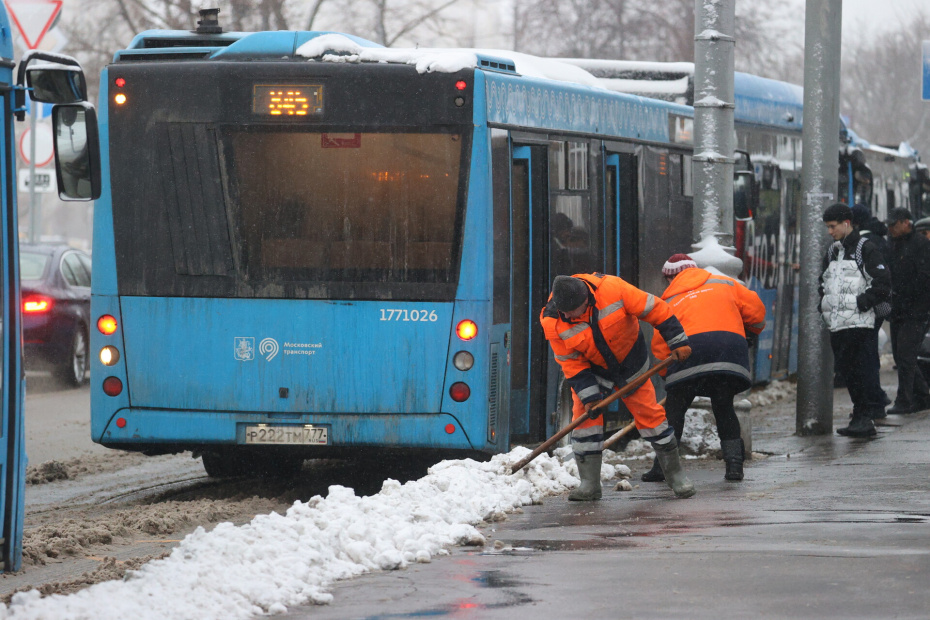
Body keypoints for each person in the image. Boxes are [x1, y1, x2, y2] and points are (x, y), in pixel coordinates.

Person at [541, 273, 695, 500]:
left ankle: (676, 476)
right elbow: (570, 363)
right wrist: (589, 396)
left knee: (650, 416)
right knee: (584, 421)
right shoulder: (552, 320)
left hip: (630, 361)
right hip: (592, 370)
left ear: (587, 300)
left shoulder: (613, 289)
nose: (567, 316)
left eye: (572, 311)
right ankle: (590, 484)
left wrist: (678, 341)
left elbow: (657, 310)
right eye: (564, 311)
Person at [642, 254, 766, 483]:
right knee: (723, 406)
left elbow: (660, 346)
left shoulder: (668, 301)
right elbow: (757, 313)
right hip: (728, 348)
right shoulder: (724, 283)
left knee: (675, 411)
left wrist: (668, 377)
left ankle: (662, 468)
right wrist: (749, 331)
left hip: (687, 352)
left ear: (670, 278)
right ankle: (734, 467)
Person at [819, 203, 891, 437]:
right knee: (849, 372)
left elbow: (882, 282)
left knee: (862, 372)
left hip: (860, 324)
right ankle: (860, 418)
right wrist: (825, 305)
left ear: (846, 223)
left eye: (833, 226)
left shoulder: (865, 248)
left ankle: (864, 418)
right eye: (828, 227)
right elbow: (824, 282)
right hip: (839, 324)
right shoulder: (832, 252)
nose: (830, 232)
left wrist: (863, 302)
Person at [886, 207, 930, 414]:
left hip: (916, 310)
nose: (891, 229)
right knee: (900, 355)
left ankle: (905, 400)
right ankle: (922, 396)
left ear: (906, 223)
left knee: (905, 354)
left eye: (894, 225)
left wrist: (907, 295)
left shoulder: (921, 245)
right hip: (898, 310)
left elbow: (924, 277)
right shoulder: (892, 244)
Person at [851, 203, 893, 413]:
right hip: (877, 306)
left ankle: (874, 401)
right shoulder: (879, 238)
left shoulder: (865, 243)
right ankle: (875, 398)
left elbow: (878, 278)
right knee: (868, 354)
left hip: (868, 306)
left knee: (865, 355)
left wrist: (866, 300)